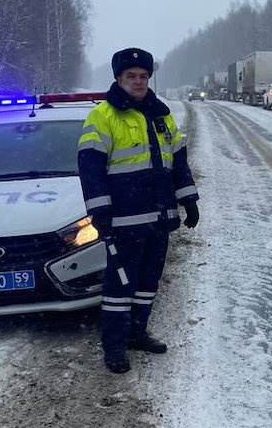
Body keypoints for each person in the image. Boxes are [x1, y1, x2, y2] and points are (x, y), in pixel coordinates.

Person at [77, 47, 200, 374]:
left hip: (159, 220)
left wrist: (188, 198)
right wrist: (99, 213)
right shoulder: (102, 116)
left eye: (143, 76)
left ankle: (136, 333)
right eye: (131, 76)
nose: (138, 81)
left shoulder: (161, 114)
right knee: (119, 289)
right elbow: (91, 169)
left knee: (148, 284)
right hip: (123, 222)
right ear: (118, 78)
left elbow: (178, 160)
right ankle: (114, 347)